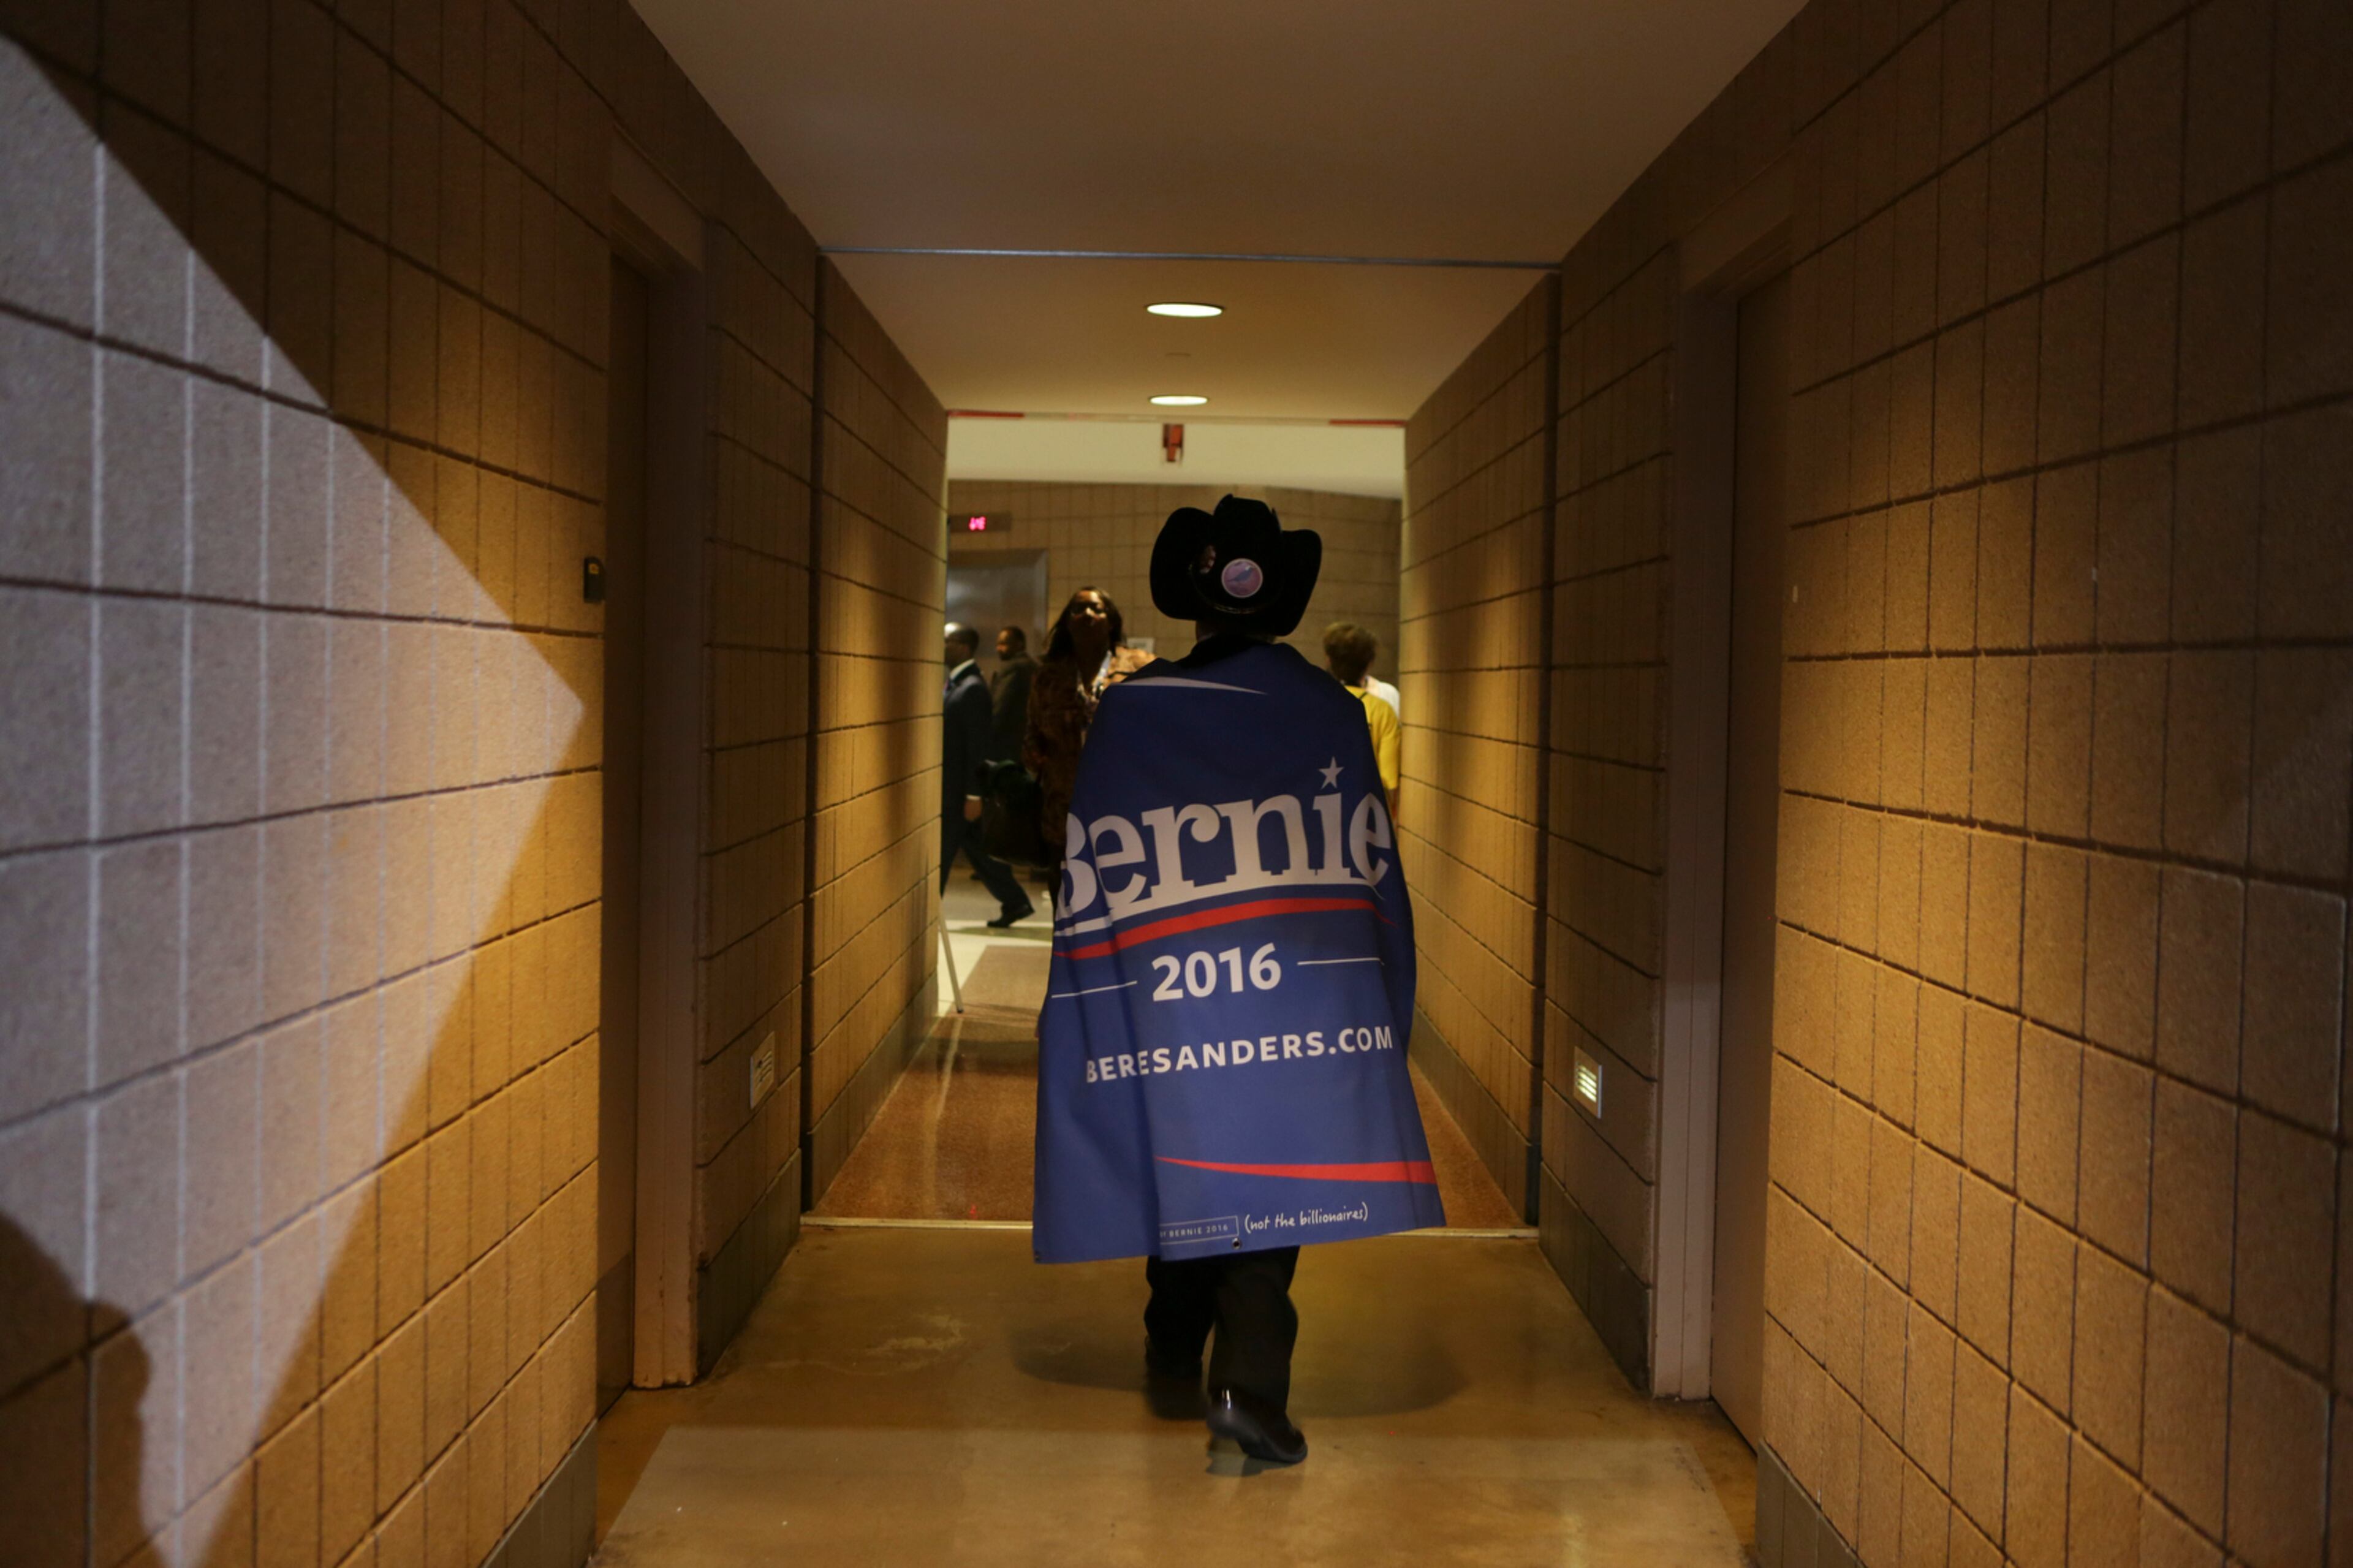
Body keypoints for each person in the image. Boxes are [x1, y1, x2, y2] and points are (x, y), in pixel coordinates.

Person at [1033, 495, 1442, 1469]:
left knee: (1188, 1156)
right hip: (1297, 997)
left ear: (1195, 604)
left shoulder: (1134, 713)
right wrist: (1383, 995)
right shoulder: (1331, 715)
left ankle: (1173, 1338)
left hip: (1174, 987)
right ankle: (1249, 1394)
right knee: (1274, 1181)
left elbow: (1092, 873)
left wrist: (1093, 998)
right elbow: (1369, 865)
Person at [1023, 587, 1152, 851]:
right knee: (1065, 887)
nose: (1087, 614)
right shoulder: (1050, 676)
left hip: (1126, 808)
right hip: (1065, 811)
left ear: (1112, 621)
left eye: (1097, 608)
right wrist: (1034, 755)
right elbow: (1032, 733)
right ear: (1068, 623)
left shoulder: (1140, 667)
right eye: (1078, 609)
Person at [942, 623, 1034, 927]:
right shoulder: (960, 685)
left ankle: (927, 914)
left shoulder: (972, 689)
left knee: (944, 852)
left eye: (947, 641)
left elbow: (978, 745)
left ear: (964, 647)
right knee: (978, 849)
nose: (942, 645)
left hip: (960, 790)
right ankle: (1016, 901)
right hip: (955, 788)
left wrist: (973, 794)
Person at [1322, 621, 1400, 813]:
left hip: (1320, 808)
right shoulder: (1382, 711)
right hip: (1365, 814)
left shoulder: (1314, 703)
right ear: (1369, 663)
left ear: (1329, 660)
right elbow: (1389, 781)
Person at [988, 625, 1038, 766]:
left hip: (1008, 744)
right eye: (998, 644)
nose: (999, 648)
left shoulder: (1013, 667)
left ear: (1019, 644)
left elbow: (999, 708)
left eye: (1004, 644)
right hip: (1026, 742)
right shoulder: (1034, 665)